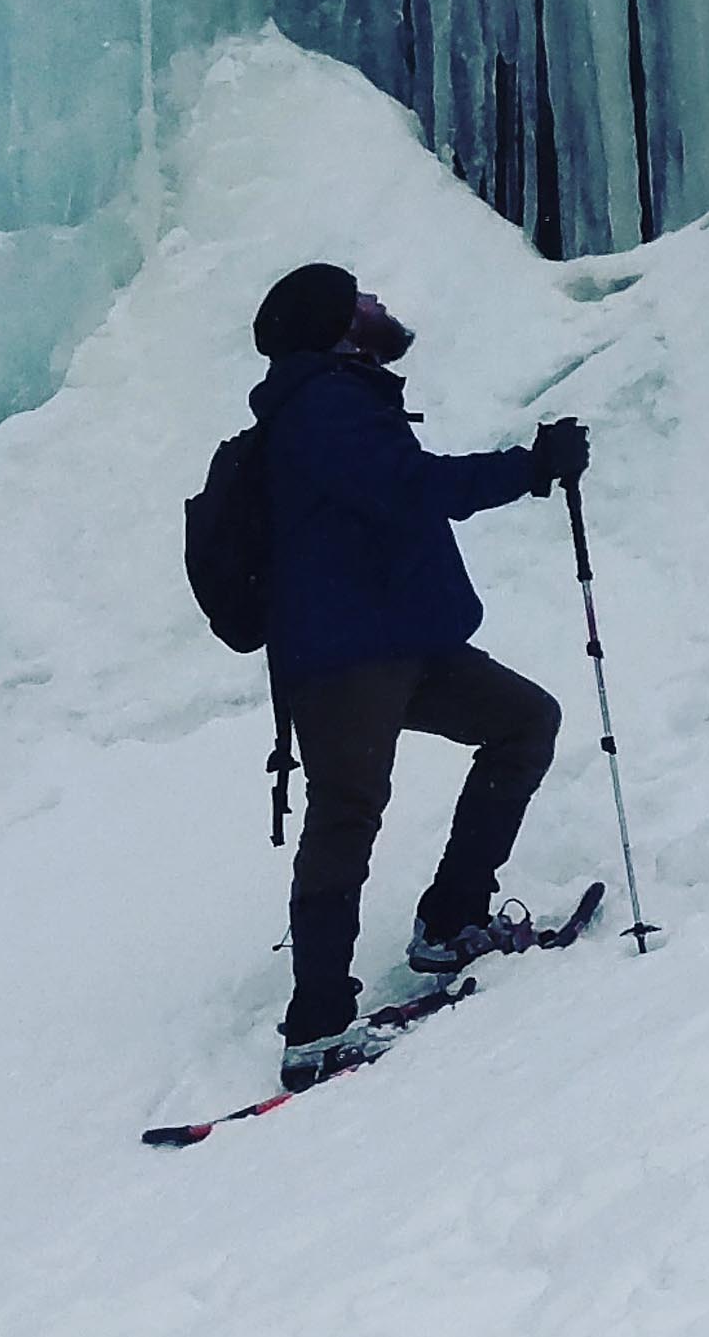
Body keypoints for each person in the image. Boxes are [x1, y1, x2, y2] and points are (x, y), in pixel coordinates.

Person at [247, 262, 589, 1088]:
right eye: (363, 298)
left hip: (397, 639)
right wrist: (530, 467)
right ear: (337, 323)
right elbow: (414, 486)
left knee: (522, 721)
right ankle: (318, 1027)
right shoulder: (322, 404)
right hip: (345, 658)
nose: (380, 305)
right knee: (347, 816)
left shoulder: (340, 394)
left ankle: (451, 918)